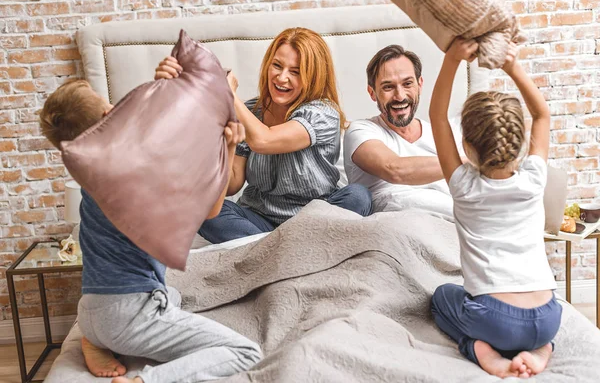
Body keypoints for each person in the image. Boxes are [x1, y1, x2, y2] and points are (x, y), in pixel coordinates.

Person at [39, 80, 262, 383]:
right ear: (107, 116)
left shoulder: (92, 170)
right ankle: (145, 381)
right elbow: (211, 210)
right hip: (126, 318)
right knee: (246, 351)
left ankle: (94, 338)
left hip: (91, 308)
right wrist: (229, 145)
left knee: (171, 293)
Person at [155, 28, 372, 244]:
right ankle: (287, 249)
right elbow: (232, 184)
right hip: (259, 220)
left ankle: (269, 251)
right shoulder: (248, 111)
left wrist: (228, 95)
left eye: (296, 72)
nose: (282, 77)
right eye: (277, 65)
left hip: (316, 217)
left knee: (357, 196)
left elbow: (263, 140)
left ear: (313, 77)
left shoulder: (323, 112)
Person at [428, 38, 561, 378]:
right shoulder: (534, 178)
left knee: (443, 297)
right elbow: (542, 114)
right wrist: (511, 64)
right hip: (548, 317)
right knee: (534, 330)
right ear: (518, 143)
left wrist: (453, 58)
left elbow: (437, 116)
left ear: (467, 147)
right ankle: (543, 350)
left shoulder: (463, 185)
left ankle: (481, 351)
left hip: (494, 319)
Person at [343, 45, 465, 220]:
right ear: (372, 93)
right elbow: (394, 169)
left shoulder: (447, 135)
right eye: (388, 87)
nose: (400, 96)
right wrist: (465, 163)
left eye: (407, 83)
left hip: (452, 227)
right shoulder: (361, 130)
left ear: (419, 84)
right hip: (395, 230)